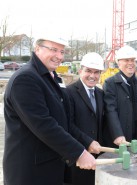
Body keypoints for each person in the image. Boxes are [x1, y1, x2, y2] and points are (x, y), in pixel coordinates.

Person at [3, 34, 96, 185]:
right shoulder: (26, 79)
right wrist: (79, 153)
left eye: (62, 51)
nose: (59, 56)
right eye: (54, 50)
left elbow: (63, 121)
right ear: (37, 48)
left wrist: (87, 142)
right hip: (30, 171)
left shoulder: (51, 77)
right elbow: (43, 124)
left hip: (50, 165)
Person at [64, 52, 106, 185]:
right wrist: (87, 142)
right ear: (80, 70)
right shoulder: (68, 93)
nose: (92, 76)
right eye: (88, 71)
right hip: (77, 155)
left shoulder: (100, 94)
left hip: (95, 157)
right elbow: (68, 125)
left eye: (97, 72)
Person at [103, 45, 137, 147]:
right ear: (118, 62)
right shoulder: (110, 83)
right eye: (126, 60)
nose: (130, 63)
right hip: (119, 140)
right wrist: (117, 134)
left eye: (133, 60)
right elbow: (110, 110)